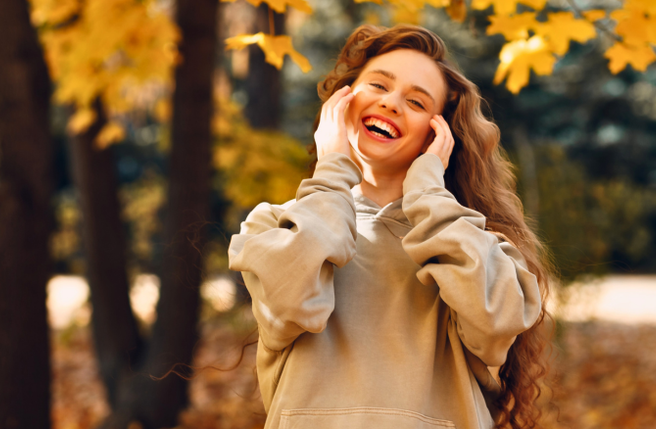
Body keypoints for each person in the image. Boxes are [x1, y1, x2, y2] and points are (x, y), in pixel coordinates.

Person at [228, 24, 553, 429]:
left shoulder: (469, 242)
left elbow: (498, 319)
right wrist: (331, 175)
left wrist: (429, 195)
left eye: (417, 102)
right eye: (379, 86)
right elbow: (291, 303)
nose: (391, 103)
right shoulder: (274, 226)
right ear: (341, 103)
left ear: (438, 136)